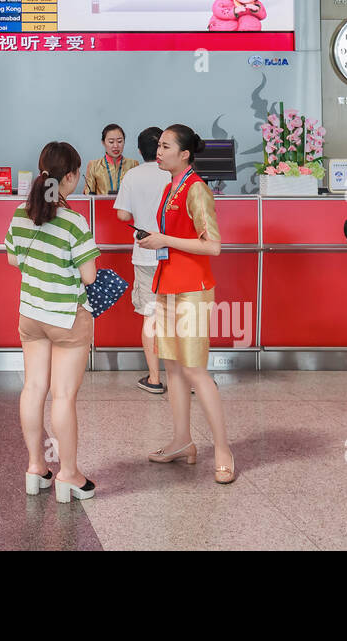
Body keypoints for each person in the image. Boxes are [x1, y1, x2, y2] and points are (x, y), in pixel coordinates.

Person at [137, 124, 235, 484]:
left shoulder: (196, 190)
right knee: (174, 367)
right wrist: (160, 240)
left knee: (194, 370)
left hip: (192, 290)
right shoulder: (170, 187)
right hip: (168, 287)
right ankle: (182, 441)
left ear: (185, 154)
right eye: (159, 146)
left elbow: (213, 246)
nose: (158, 151)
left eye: (165, 146)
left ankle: (223, 449)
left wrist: (164, 238)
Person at [5, 141, 100, 503]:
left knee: (33, 389)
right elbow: (89, 276)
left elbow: (15, 260)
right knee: (62, 395)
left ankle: (35, 468)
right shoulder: (74, 221)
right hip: (66, 318)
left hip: (30, 314)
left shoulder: (21, 212)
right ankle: (69, 475)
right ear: (71, 176)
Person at [114, 126, 169, 394]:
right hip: (175, 253)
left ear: (138, 151)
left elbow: (122, 216)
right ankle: (188, 378)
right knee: (179, 315)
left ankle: (155, 378)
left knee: (150, 316)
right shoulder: (174, 174)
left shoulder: (132, 175)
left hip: (146, 254)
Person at [83, 124, 138, 195]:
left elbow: (137, 192)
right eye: (111, 142)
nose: (116, 146)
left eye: (119, 141)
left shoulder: (133, 164)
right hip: (101, 206)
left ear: (124, 141)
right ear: (103, 142)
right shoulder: (94, 165)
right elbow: (89, 195)